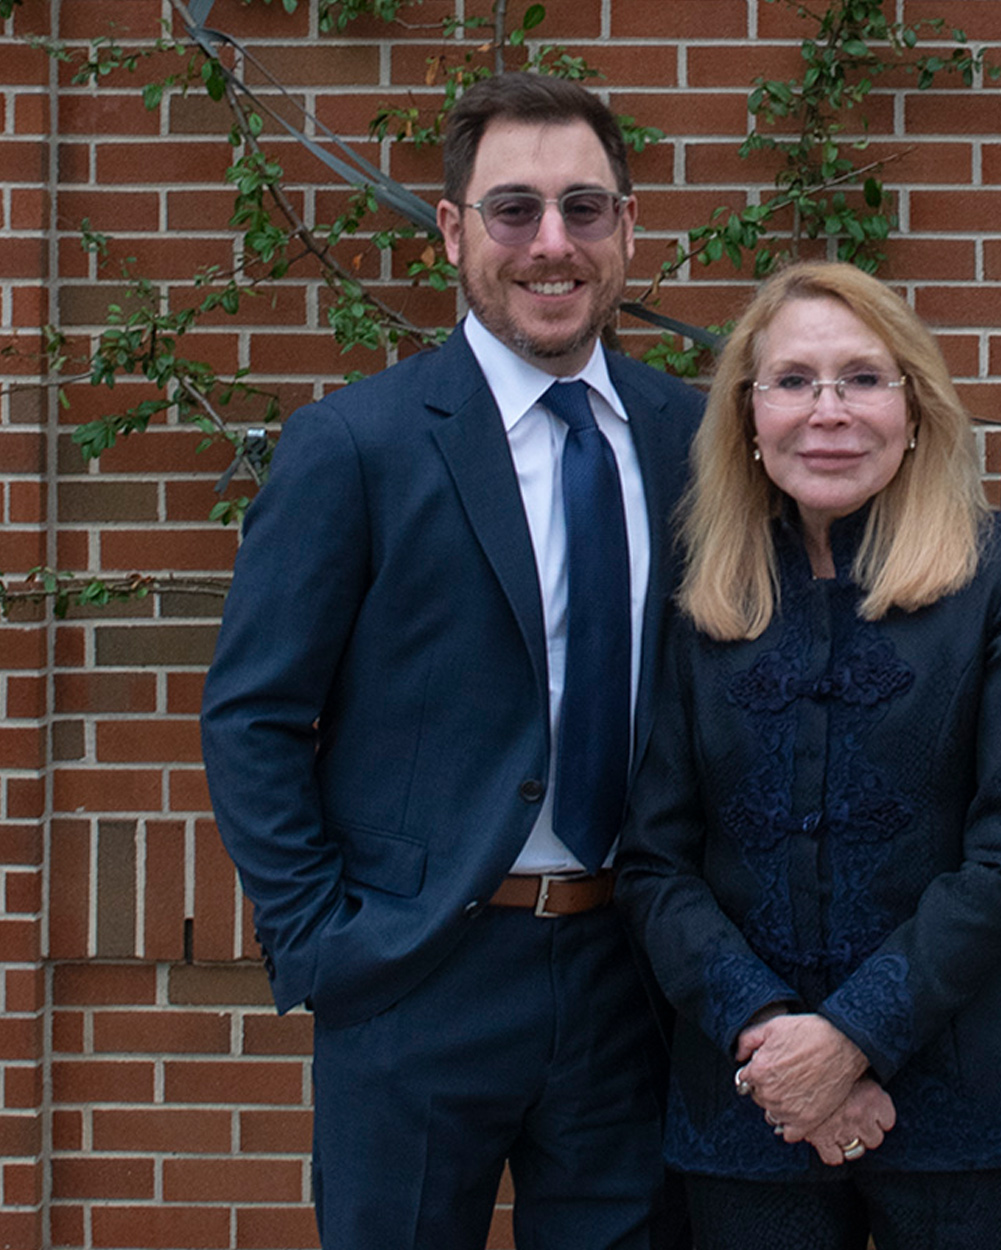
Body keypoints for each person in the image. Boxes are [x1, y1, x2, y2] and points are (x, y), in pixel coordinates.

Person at [198, 73, 703, 1250]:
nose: (550, 243)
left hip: (628, 975)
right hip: (419, 975)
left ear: (626, 228)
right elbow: (254, 715)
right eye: (512, 209)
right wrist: (330, 939)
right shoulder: (357, 444)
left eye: (584, 208)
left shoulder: (689, 435)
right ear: (452, 230)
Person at [614, 260, 1001, 1249]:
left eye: (862, 379)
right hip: (752, 1097)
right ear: (748, 420)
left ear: (916, 411)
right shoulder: (696, 592)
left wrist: (849, 1039)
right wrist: (775, 1041)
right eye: (792, 380)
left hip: (978, 1097)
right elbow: (656, 857)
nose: (826, 409)